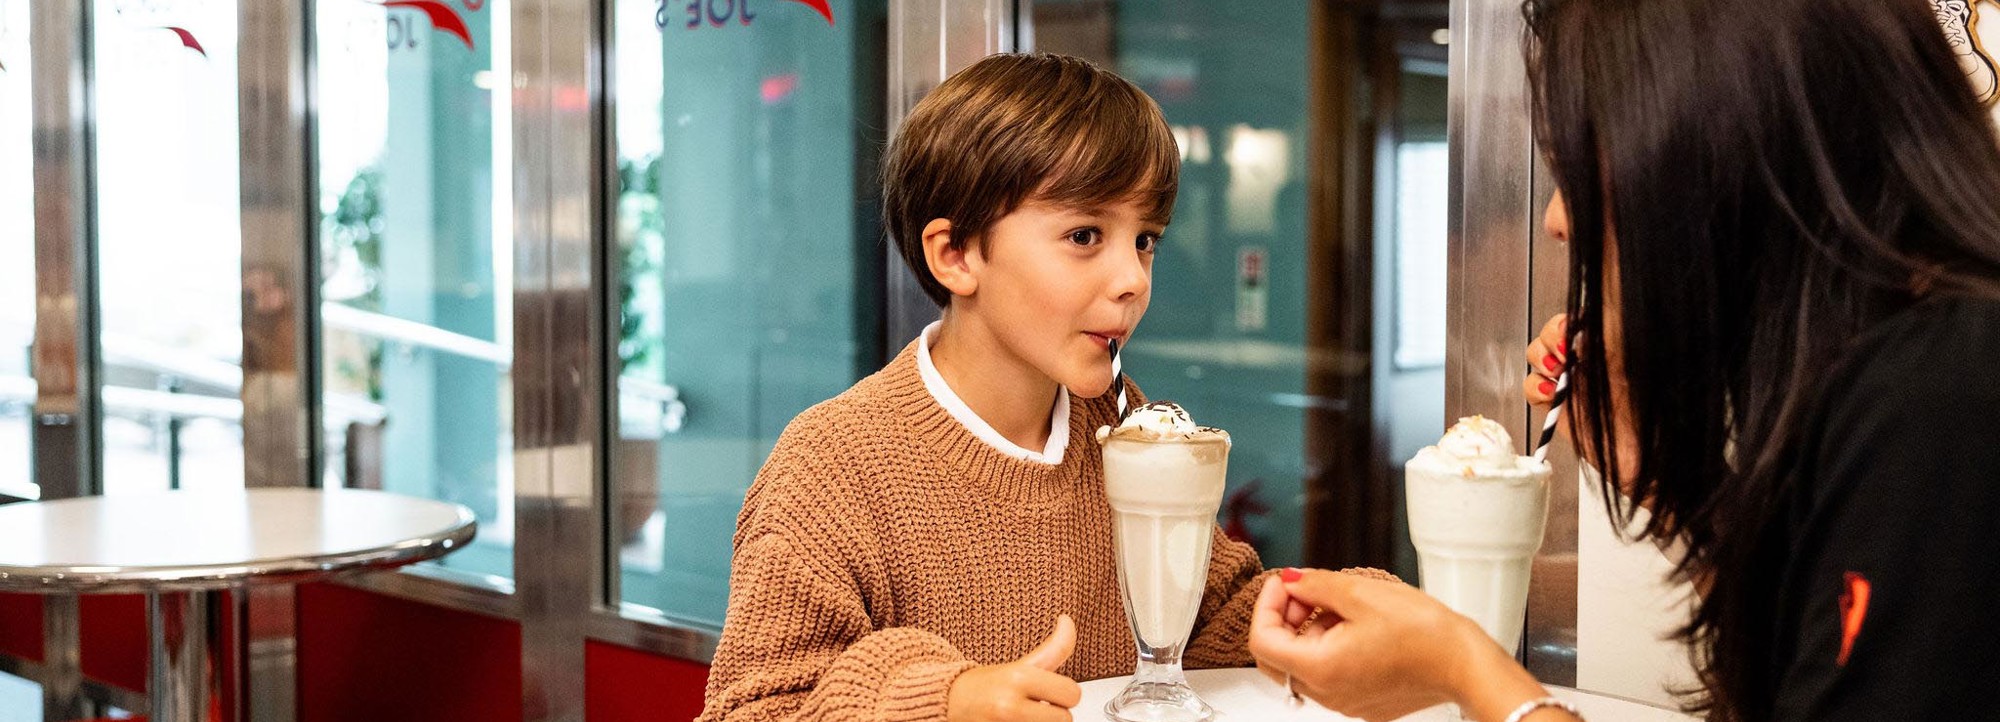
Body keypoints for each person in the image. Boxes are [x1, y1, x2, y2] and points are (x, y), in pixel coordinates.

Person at [1247, 0, 2000, 720]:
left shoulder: (1945, 396)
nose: (1556, 220)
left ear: (1718, 148)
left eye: (1578, 173)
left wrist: (1464, 669)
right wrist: (1662, 481)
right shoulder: (1888, 376)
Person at [695, 53, 1279, 722]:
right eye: (1085, 235)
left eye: (1145, 239)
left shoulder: (1123, 421)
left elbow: (1204, 616)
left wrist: (1304, 613)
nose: (1133, 279)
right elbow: (753, 711)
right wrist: (941, 702)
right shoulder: (833, 466)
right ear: (956, 255)